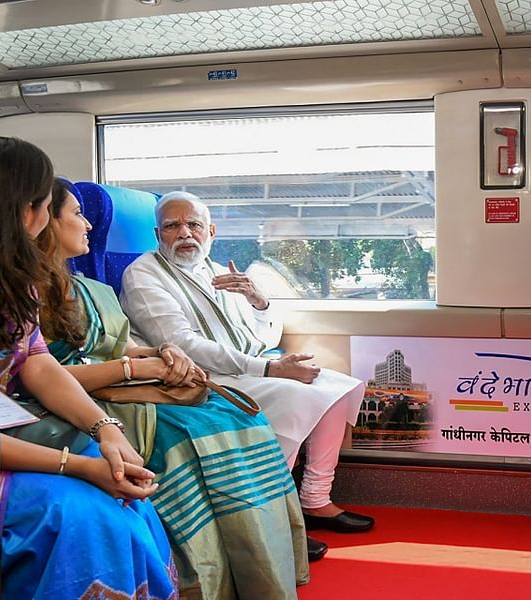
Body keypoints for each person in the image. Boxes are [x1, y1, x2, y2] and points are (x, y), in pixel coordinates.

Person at [34, 178, 314, 600]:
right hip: (88, 393)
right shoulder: (60, 288)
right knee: (194, 436)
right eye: (76, 215)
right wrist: (140, 364)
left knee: (238, 418)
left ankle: (263, 572)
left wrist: (159, 353)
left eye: (194, 225)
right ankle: (209, 598)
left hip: (130, 376)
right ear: (40, 222)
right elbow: (46, 371)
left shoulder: (87, 285)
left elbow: (123, 341)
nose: (87, 224)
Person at [0, 137, 179, 600]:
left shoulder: (9, 277)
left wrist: (106, 430)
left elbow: (38, 365)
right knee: (76, 513)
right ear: (23, 211)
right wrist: (79, 465)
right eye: (46, 205)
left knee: (128, 497)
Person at [120, 191, 372, 532]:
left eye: (193, 224)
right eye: (172, 226)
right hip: (196, 378)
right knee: (298, 397)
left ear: (211, 232)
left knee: (339, 387)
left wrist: (259, 302)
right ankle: (276, 519)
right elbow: (182, 345)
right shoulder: (143, 275)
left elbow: (265, 338)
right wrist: (270, 369)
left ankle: (314, 500)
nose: (184, 233)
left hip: (242, 369)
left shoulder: (222, 271)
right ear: (157, 235)